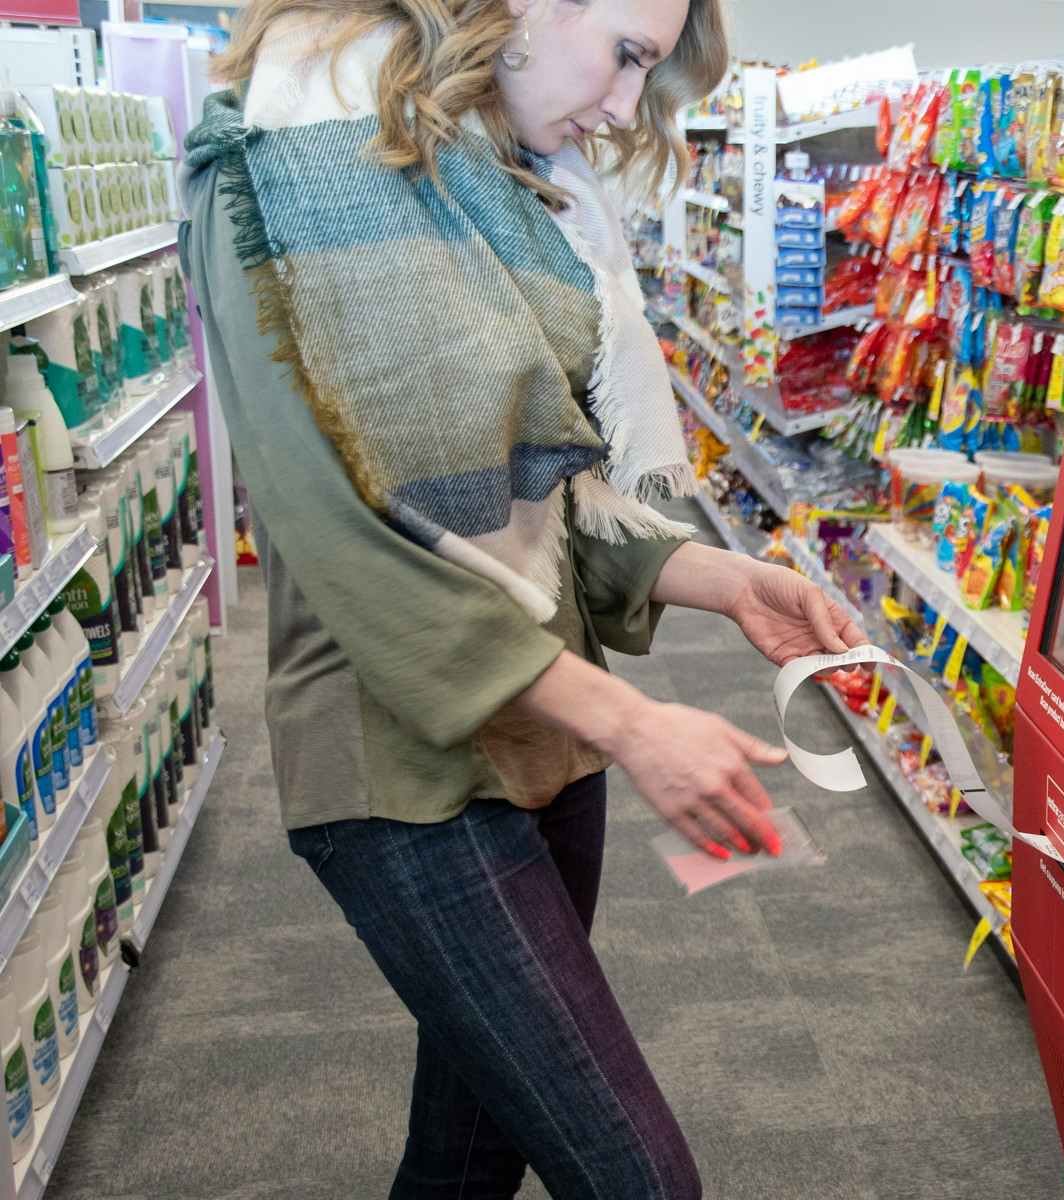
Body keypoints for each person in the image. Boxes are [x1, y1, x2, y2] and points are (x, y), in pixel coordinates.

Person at [178, 0, 866, 1194]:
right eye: (631, 57)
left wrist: (717, 577)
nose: (620, 109)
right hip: (404, 765)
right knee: (639, 1178)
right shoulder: (280, 167)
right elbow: (347, 540)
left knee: (467, 1156)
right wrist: (640, 725)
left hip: (547, 733)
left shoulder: (493, 179)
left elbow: (549, 491)